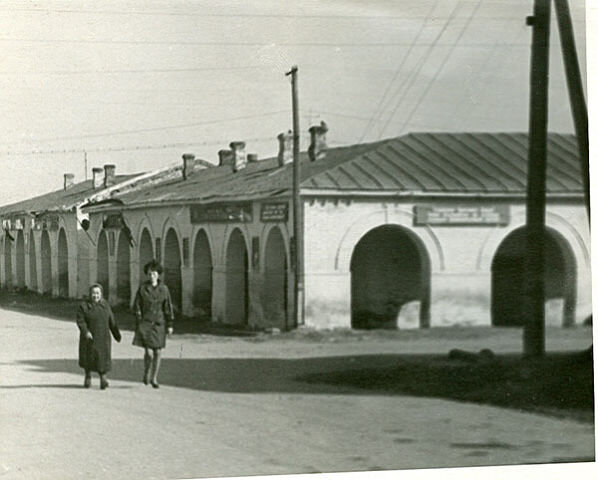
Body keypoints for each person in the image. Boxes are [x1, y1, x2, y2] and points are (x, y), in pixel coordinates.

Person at [133, 260, 174, 388]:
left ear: (158, 274)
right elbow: (137, 305)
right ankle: (146, 372)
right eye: (150, 274)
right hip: (146, 324)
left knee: (158, 352)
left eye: (154, 273)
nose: (152, 276)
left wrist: (170, 324)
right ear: (147, 274)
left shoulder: (164, 289)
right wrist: (138, 318)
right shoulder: (143, 289)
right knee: (149, 353)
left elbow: (168, 307)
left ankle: (154, 378)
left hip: (159, 323)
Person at [76, 283, 121, 390]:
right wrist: (85, 331)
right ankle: (88, 376)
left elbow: (112, 321)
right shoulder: (84, 306)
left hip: (103, 337)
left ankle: (103, 379)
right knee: (88, 357)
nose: (95, 296)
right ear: (90, 294)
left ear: (101, 294)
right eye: (93, 293)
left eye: (97, 293)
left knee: (102, 358)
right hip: (89, 337)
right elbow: (80, 320)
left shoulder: (105, 305)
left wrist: (116, 334)